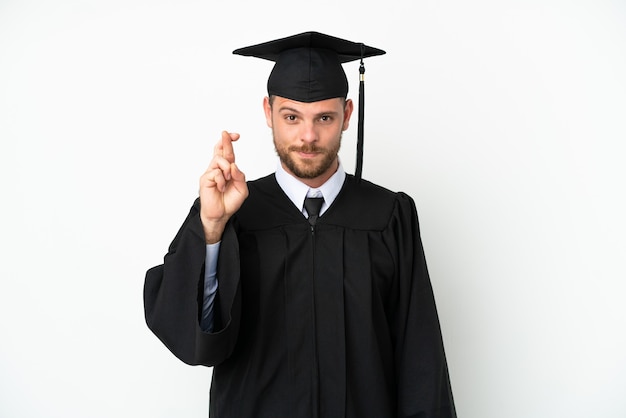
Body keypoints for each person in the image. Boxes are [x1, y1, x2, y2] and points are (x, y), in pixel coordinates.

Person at [144, 31, 456, 418]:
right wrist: (211, 228)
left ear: (346, 115)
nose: (308, 137)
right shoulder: (231, 213)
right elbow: (195, 341)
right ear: (267, 112)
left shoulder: (389, 216)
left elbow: (420, 358)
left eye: (324, 117)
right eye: (291, 117)